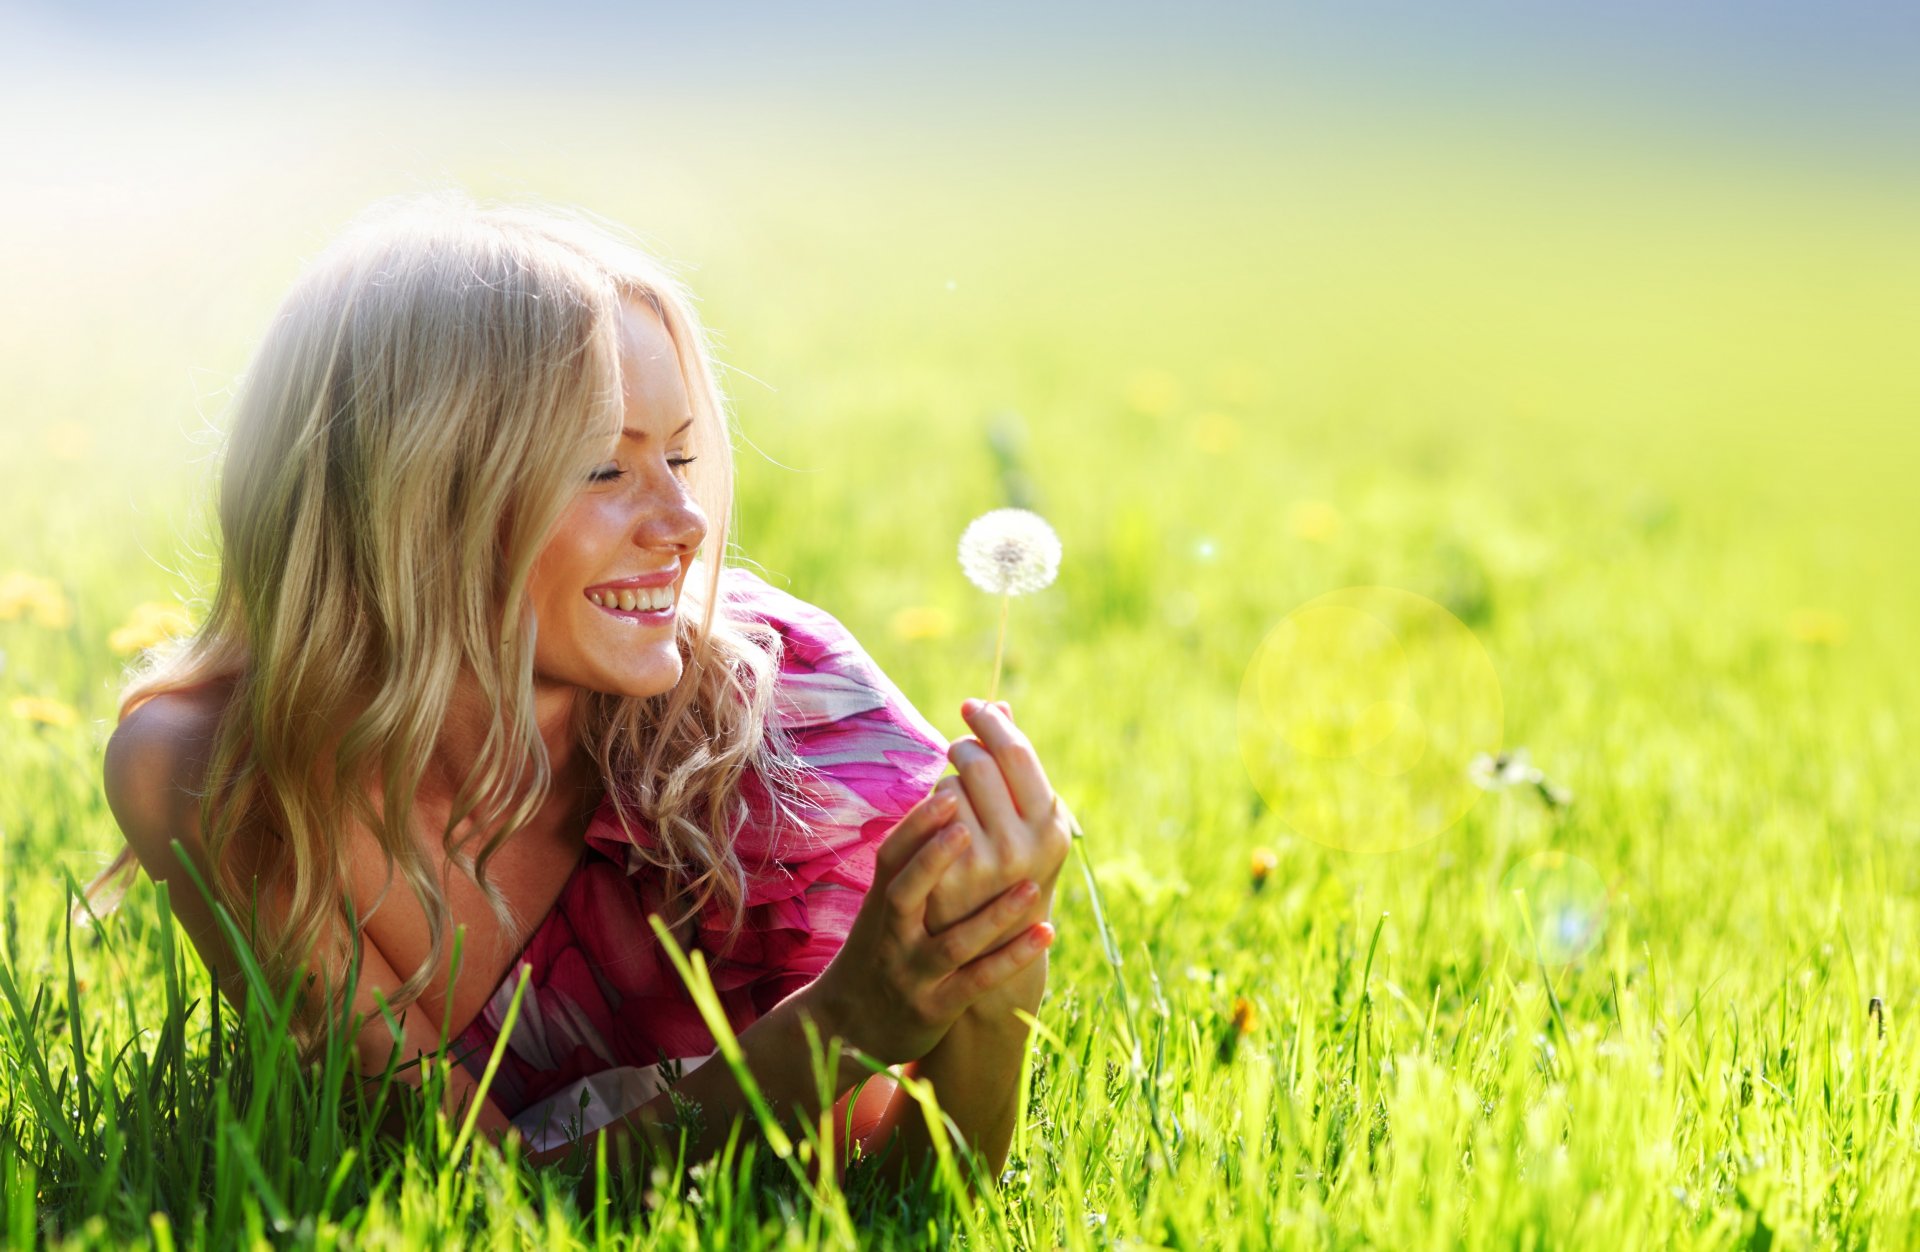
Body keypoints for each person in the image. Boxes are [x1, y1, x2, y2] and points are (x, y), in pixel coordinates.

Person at [84, 190, 1072, 1189]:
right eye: (605, 467)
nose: (685, 521)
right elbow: (474, 1194)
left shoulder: (780, 725)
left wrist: (992, 990)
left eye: (682, 456)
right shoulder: (219, 774)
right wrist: (840, 1024)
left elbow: (901, 1196)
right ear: (411, 500)